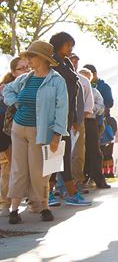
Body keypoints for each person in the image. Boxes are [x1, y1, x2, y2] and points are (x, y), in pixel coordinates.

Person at [3, 41, 69, 224]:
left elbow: (62, 109)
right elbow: (7, 89)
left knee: (39, 171)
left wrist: (57, 134)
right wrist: (15, 102)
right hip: (18, 128)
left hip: (40, 132)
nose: (28, 59)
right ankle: (14, 209)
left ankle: (43, 206)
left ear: (43, 58)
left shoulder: (56, 81)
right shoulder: (26, 78)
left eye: (31, 56)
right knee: (18, 168)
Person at [49, 32, 91, 206]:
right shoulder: (51, 63)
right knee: (58, 155)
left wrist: (74, 117)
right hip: (56, 115)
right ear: (59, 44)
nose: (70, 49)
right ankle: (67, 192)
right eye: (68, 45)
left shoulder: (66, 62)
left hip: (68, 115)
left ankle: (51, 193)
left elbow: (73, 92)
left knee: (62, 153)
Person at [0, 57, 30, 216]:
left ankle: (33, 201)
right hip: (8, 135)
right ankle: (6, 203)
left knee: (29, 168)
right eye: (21, 68)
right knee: (10, 169)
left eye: (27, 67)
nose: (26, 70)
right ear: (13, 72)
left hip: (28, 133)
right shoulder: (6, 89)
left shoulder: (32, 84)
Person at [78, 68, 110, 189]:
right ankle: (81, 177)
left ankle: (98, 178)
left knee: (94, 150)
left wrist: (89, 109)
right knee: (78, 150)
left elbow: (101, 107)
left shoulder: (95, 92)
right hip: (76, 121)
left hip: (90, 121)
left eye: (86, 78)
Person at [83, 64, 115, 178]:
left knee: (105, 150)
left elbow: (109, 103)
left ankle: (107, 173)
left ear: (94, 74)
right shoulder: (83, 86)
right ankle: (91, 174)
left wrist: (97, 111)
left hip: (102, 122)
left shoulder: (103, 86)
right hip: (88, 122)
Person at [69, 54, 92, 193]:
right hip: (61, 121)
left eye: (77, 61)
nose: (74, 63)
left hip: (78, 122)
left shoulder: (83, 81)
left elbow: (88, 104)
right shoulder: (57, 78)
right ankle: (58, 185)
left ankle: (77, 181)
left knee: (78, 153)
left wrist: (78, 121)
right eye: (72, 60)